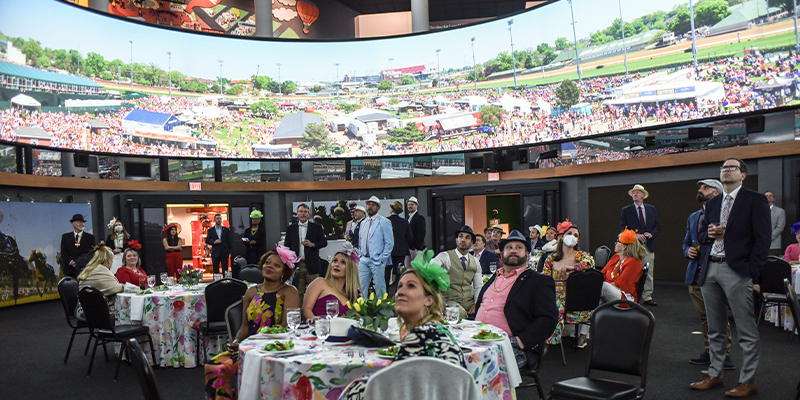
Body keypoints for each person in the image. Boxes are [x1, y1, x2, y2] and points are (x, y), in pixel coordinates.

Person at [690, 158, 770, 397]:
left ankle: (748, 381)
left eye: (732, 167)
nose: (726, 170)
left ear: (742, 175)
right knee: (715, 329)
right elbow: (703, 235)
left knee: (746, 330)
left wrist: (750, 272)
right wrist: (710, 233)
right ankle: (715, 375)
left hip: (736, 270)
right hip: (710, 268)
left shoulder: (755, 199)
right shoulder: (713, 203)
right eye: (723, 168)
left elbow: (763, 239)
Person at [341, 254, 466, 400]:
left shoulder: (423, 336)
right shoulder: (436, 330)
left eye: (411, 286)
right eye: (400, 286)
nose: (400, 291)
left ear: (429, 299)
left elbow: (391, 391)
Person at [209, 245, 301, 400]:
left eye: (277, 265)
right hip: (249, 349)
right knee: (215, 366)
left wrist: (260, 345)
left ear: (284, 272)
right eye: (267, 262)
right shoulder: (252, 291)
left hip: (275, 349)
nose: (270, 266)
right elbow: (245, 326)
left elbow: (286, 327)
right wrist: (237, 342)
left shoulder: (289, 291)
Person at [476, 230, 558, 370]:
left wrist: (521, 341)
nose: (513, 250)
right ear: (502, 255)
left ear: (527, 254)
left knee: (479, 368)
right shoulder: (494, 278)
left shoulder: (538, 281)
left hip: (512, 345)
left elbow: (548, 318)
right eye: (509, 247)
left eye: (518, 247)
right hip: (477, 339)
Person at [682, 179, 735, 370]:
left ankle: (724, 354)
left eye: (705, 188)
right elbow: (686, 242)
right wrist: (687, 251)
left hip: (716, 271)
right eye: (700, 187)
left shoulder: (727, 215)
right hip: (696, 273)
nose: (701, 190)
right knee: (705, 316)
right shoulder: (694, 217)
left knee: (718, 315)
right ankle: (709, 350)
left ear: (716, 193)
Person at [540, 219, 595, 349]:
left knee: (555, 305)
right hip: (552, 294)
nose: (572, 237)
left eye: (576, 236)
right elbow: (544, 278)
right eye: (570, 233)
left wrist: (573, 267)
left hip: (574, 300)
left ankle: (546, 344)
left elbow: (590, 262)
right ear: (562, 236)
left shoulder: (581, 255)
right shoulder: (551, 258)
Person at [620, 184, 660, 306]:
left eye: (637, 192)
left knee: (648, 271)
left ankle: (647, 297)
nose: (635, 194)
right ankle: (631, 295)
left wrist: (651, 234)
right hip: (633, 246)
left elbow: (657, 226)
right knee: (632, 270)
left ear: (643, 195)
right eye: (633, 193)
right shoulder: (626, 210)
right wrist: (635, 236)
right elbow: (623, 228)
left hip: (647, 245)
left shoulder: (651, 209)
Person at [301, 243, 361, 323]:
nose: (337, 264)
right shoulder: (320, 282)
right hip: (321, 331)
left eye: (343, 262)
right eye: (335, 261)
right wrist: (315, 320)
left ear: (350, 269)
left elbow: (360, 319)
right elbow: (306, 309)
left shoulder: (353, 295)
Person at [431, 226, 482, 318]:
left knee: (486, 311)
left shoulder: (475, 262)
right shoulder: (445, 256)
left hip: (468, 301)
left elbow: (478, 286)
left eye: (467, 237)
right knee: (460, 314)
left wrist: (476, 304)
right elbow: (430, 268)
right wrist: (440, 283)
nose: (463, 240)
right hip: (449, 300)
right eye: (460, 236)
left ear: (471, 243)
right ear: (456, 240)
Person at [284, 203, 328, 301]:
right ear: (297, 213)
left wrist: (313, 244)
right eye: (301, 211)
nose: (303, 214)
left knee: (315, 292)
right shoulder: (291, 228)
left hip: (312, 264)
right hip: (297, 265)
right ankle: (299, 314)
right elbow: (287, 246)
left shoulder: (316, 227)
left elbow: (324, 242)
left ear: (309, 214)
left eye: (305, 212)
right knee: (297, 292)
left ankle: (314, 314)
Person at [358, 196, 394, 297]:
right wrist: (360, 255)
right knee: (361, 287)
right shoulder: (363, 222)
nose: (370, 207)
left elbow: (389, 243)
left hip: (377, 260)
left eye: (373, 205)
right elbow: (361, 240)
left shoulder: (384, 222)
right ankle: (362, 309)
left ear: (378, 207)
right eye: (368, 204)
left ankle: (381, 310)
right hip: (364, 259)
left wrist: (382, 259)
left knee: (380, 287)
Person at [601, 228, 647, 303]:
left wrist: (601, 284)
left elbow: (621, 283)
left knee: (603, 287)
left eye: (618, 241)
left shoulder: (634, 262)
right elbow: (602, 273)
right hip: (611, 290)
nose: (615, 243)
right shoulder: (616, 257)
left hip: (625, 297)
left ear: (624, 247)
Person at [387, 201, 413, 296]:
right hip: (401, 251)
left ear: (392, 210)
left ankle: (385, 295)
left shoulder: (386, 221)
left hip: (388, 252)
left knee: (386, 274)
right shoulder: (404, 222)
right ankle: (398, 293)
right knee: (399, 274)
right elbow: (410, 238)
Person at [61, 214, 96, 279]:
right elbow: (63, 252)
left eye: (83, 222)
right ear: (73, 224)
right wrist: (71, 262)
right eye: (79, 222)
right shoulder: (65, 237)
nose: (82, 224)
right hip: (69, 270)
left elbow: (91, 252)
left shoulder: (90, 237)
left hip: (84, 269)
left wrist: (78, 263)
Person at [766, 191, 786, 256]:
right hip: (759, 245)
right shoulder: (758, 211)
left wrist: (768, 238)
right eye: (766, 196)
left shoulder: (780, 211)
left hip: (774, 245)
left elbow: (780, 227)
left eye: (770, 196)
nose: (768, 197)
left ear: (774, 199)